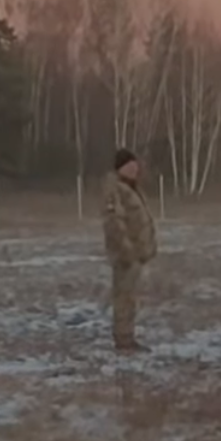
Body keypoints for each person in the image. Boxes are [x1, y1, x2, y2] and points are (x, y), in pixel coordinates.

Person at [101, 147, 156, 352]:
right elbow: (114, 223)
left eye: (136, 167)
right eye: (130, 167)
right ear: (121, 168)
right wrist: (126, 250)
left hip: (135, 255)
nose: (135, 170)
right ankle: (123, 340)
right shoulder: (115, 190)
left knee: (130, 298)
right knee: (124, 298)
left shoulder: (131, 188)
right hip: (125, 255)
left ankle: (127, 337)